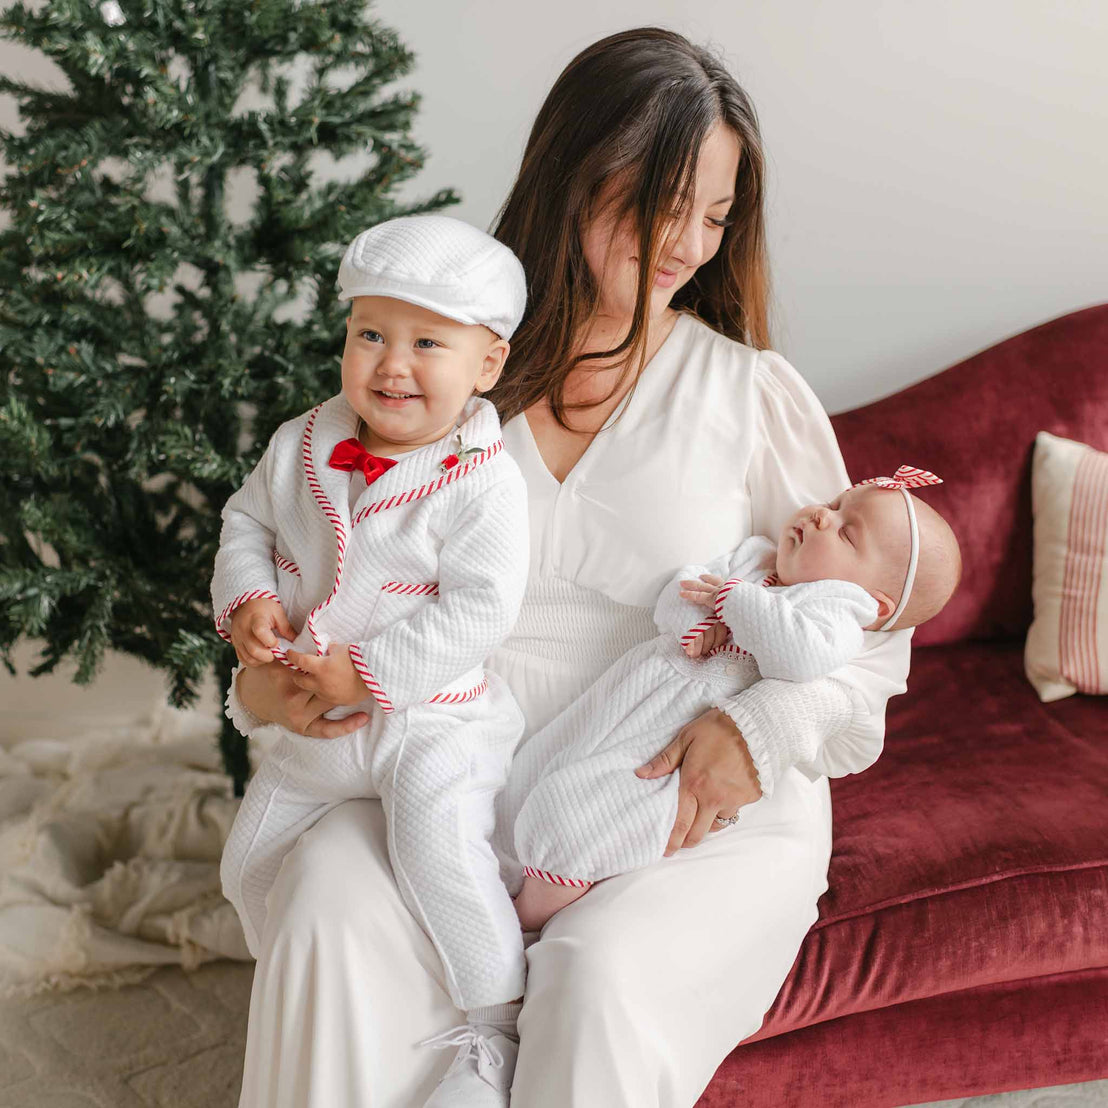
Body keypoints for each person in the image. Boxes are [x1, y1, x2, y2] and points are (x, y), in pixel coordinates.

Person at [226, 26, 913, 1108]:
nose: (689, 241)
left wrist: (760, 730)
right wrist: (267, 677)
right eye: (663, 201)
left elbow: (867, 630)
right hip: (458, 765)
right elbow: (315, 563)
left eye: (717, 215)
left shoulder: (746, 392)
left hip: (673, 793)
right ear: (574, 173)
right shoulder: (443, 375)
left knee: (596, 977)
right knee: (326, 898)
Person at [211, 216, 534, 1105]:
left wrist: (377, 671)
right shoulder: (302, 443)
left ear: (486, 367)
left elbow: (481, 609)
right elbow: (247, 524)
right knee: (246, 862)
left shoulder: (484, 480)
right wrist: (248, 602)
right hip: (327, 716)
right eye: (370, 336)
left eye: (428, 342)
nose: (393, 364)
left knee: (440, 858)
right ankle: (292, 975)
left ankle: (496, 1019)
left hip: (434, 720)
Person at [507, 470, 962, 929]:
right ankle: (519, 863)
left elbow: (799, 657)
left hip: (681, 733)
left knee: (584, 814)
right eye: (835, 503)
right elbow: (681, 590)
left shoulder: (837, 611)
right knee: (548, 759)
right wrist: (697, 622)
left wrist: (732, 604)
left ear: (875, 604)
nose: (823, 515)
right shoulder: (756, 555)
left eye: (846, 533)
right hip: (635, 692)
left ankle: (536, 913)